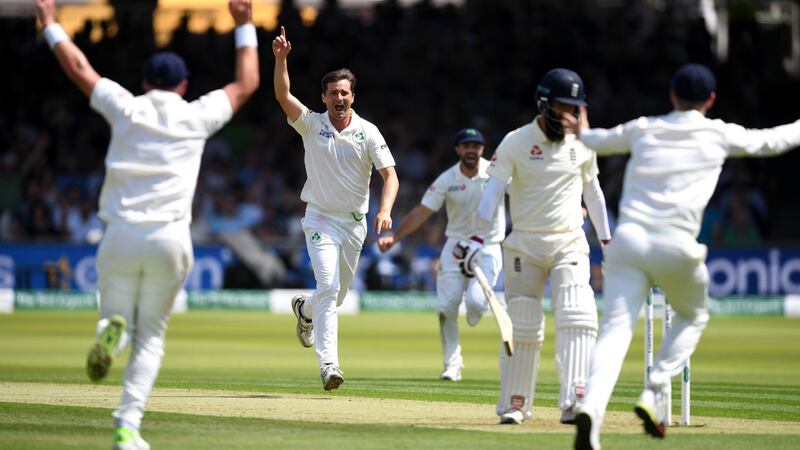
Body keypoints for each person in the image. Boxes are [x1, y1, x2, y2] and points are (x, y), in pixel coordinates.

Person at [33, 0, 260, 449]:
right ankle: (127, 425)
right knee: (151, 336)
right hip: (170, 239)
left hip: (118, 233)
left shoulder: (126, 107)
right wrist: (245, 26)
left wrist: (51, 25)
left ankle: (109, 336)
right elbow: (247, 83)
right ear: (183, 85)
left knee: (113, 315)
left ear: (143, 82)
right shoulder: (195, 115)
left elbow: (80, 68)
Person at [563, 63, 800, 450]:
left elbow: (594, 141)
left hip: (629, 242)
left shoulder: (645, 127)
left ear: (671, 95)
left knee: (615, 330)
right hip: (676, 247)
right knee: (694, 314)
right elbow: (771, 142)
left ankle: (591, 407)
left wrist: (583, 123)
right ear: (710, 100)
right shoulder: (719, 133)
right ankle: (655, 387)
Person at [456, 68, 611, 425]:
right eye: (563, 107)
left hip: (569, 241)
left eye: (576, 108)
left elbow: (594, 193)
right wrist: (477, 238)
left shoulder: (584, 142)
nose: (570, 116)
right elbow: (492, 193)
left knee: (578, 313)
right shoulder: (516, 141)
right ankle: (516, 401)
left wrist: (607, 241)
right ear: (544, 103)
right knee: (522, 325)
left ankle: (575, 399)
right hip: (524, 244)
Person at [272, 26, 399, 391]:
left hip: (354, 224)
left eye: (345, 92)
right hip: (320, 218)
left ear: (352, 96)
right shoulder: (312, 124)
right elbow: (283, 96)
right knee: (327, 285)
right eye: (333, 93)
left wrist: (385, 209)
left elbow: (390, 177)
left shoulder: (369, 132)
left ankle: (304, 311)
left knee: (337, 295)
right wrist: (281, 59)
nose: (339, 98)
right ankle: (330, 366)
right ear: (324, 98)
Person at [377, 128, 505, 381]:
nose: (471, 150)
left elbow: (526, 193)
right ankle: (452, 365)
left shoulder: (496, 173)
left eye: (476, 146)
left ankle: (475, 309)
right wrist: (395, 237)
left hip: (488, 246)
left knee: (477, 305)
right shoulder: (447, 179)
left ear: (482, 149)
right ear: (458, 150)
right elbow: (422, 212)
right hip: (456, 247)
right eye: (466, 146)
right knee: (446, 307)